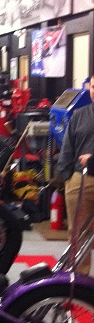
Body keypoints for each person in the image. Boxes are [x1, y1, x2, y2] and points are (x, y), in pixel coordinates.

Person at [57, 75, 94, 275]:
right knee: (78, 233)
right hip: (80, 181)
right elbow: (67, 148)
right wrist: (67, 177)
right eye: (93, 87)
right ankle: (80, 280)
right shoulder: (79, 115)